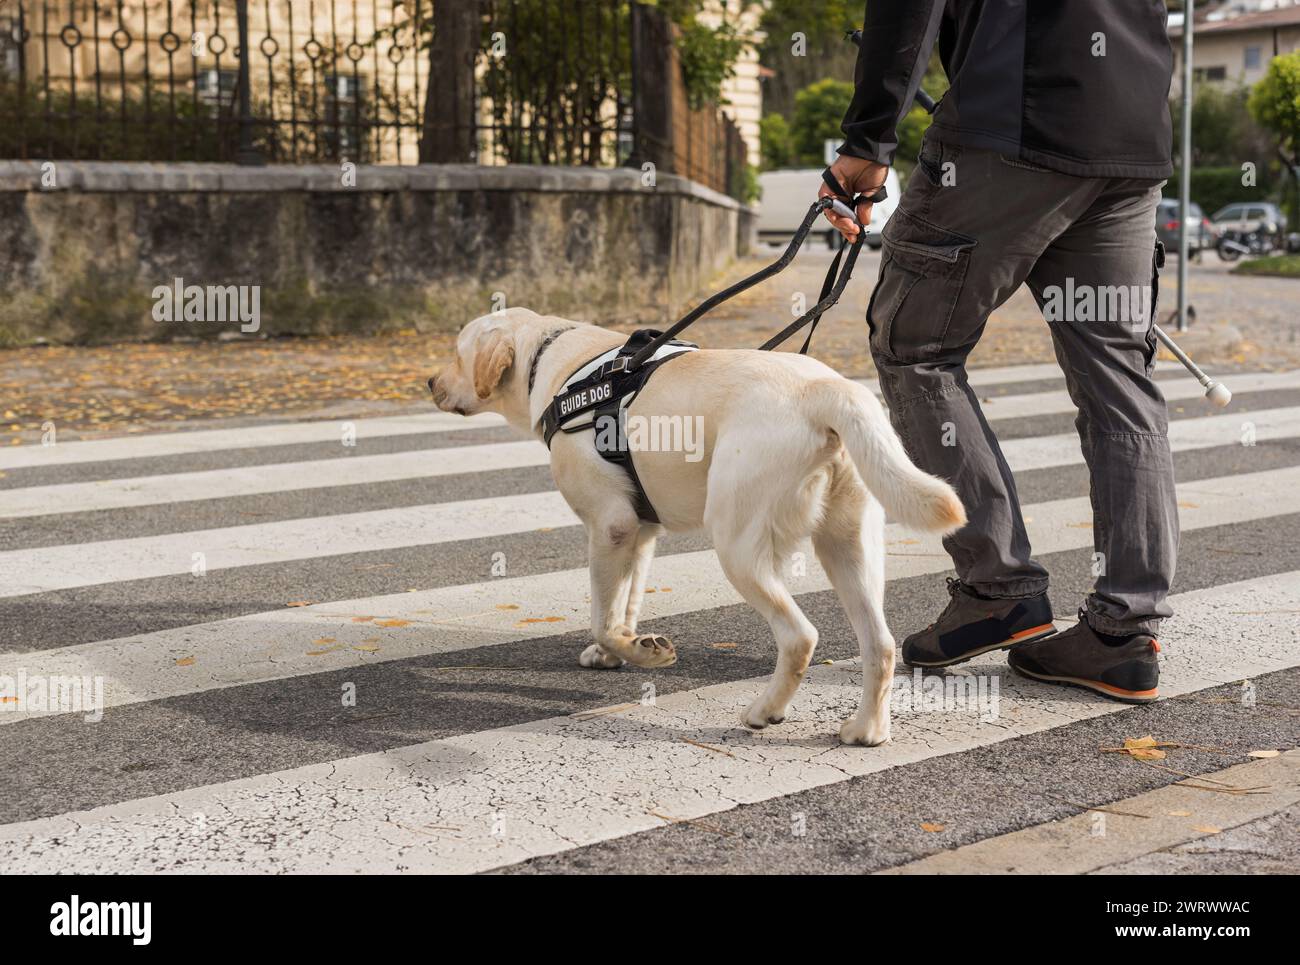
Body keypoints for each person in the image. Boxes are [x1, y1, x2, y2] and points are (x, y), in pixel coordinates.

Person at [821, 1, 1178, 703]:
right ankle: (1124, 631)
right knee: (1118, 379)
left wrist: (869, 139)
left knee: (914, 344)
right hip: (1130, 129)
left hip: (1012, 118)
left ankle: (999, 588)